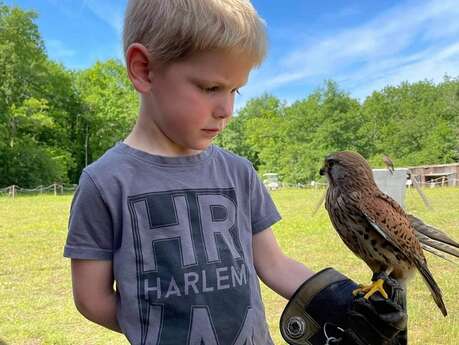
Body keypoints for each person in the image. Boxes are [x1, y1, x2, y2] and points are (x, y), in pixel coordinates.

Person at [64, 1, 406, 344]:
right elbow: (92, 299)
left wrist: (342, 303)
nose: (227, 109)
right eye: (210, 88)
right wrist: (164, 329)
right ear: (144, 70)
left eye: (235, 90)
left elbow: (274, 264)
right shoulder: (105, 182)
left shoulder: (239, 173)